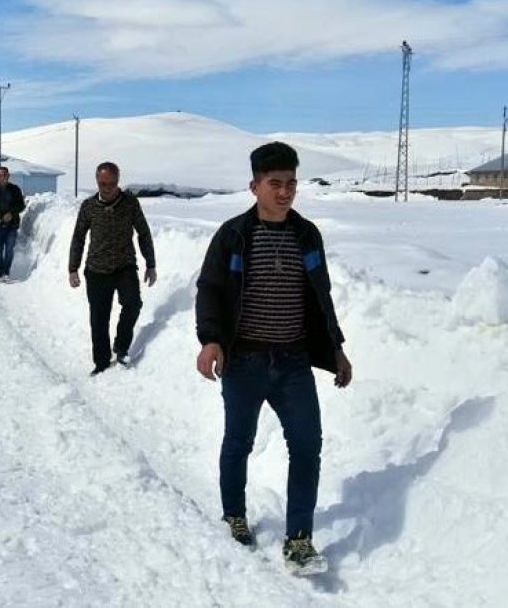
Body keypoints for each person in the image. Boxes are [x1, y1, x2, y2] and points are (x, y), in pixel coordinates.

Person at [193, 141, 353, 576]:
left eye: (291, 184)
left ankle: (299, 538)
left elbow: (321, 295)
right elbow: (209, 289)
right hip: (244, 361)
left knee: (307, 446)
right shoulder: (233, 235)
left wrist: (335, 347)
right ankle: (234, 515)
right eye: (275, 184)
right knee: (238, 442)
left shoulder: (307, 235)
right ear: (255, 186)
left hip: (293, 363)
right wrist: (211, 340)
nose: (285, 193)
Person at [68, 161, 157, 375]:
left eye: (112, 183)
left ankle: (121, 346)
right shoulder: (88, 206)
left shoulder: (130, 203)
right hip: (96, 270)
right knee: (99, 317)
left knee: (133, 304)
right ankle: (101, 362)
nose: (107, 188)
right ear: (97, 182)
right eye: (102, 183)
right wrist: (73, 268)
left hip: (124, 266)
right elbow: (78, 237)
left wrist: (150, 264)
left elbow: (143, 233)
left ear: (118, 182)